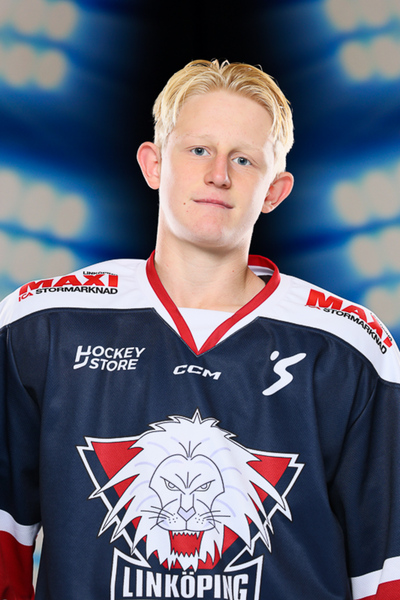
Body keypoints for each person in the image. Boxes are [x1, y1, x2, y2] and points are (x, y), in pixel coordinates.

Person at [1, 59, 400, 600]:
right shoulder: (42, 325)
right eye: (197, 150)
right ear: (154, 164)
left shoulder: (350, 348)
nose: (219, 174)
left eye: (244, 158)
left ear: (275, 190)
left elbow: (386, 573)